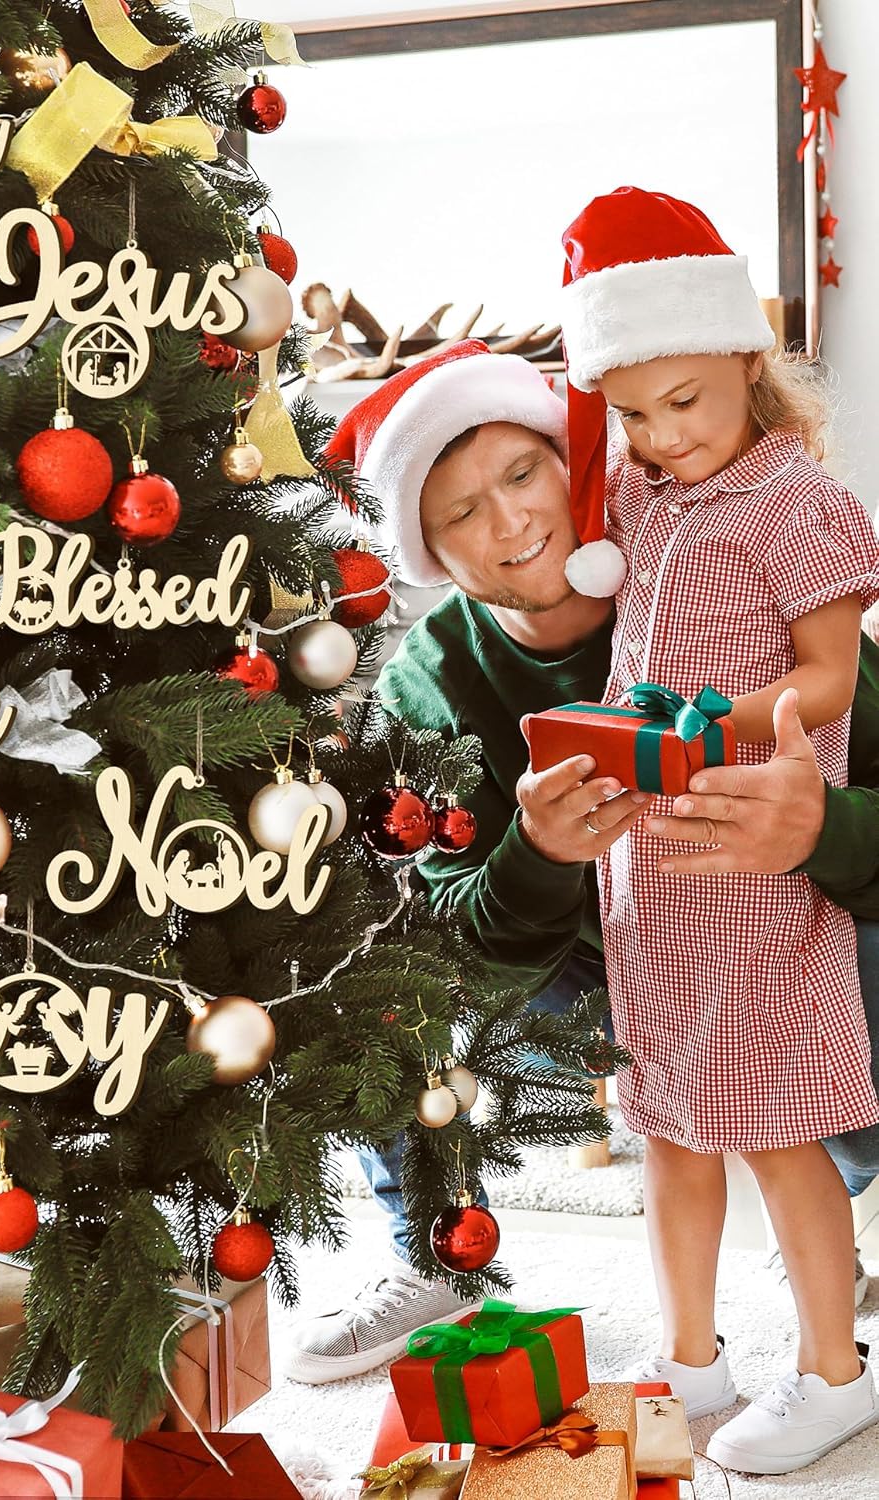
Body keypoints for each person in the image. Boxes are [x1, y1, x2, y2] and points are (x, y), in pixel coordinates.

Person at [285, 336, 879, 1405]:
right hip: (584, 981)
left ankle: (843, 1243)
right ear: (427, 553)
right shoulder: (431, 683)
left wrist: (820, 829)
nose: (509, 522)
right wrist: (537, 852)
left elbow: (849, 733)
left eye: (522, 474)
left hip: (787, 932)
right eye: (459, 511)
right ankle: (441, 1247)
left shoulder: (729, 581)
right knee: (356, 972)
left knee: (819, 1113)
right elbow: (447, 942)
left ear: (579, 467)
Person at [559, 187, 879, 1473]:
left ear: (747, 360)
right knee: (668, 1118)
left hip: (748, 853)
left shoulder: (795, 500)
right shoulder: (643, 494)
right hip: (649, 867)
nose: (662, 435)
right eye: (633, 412)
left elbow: (832, 682)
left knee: (774, 1121)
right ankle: (690, 1364)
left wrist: (699, 720)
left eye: (686, 401)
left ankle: (835, 1369)